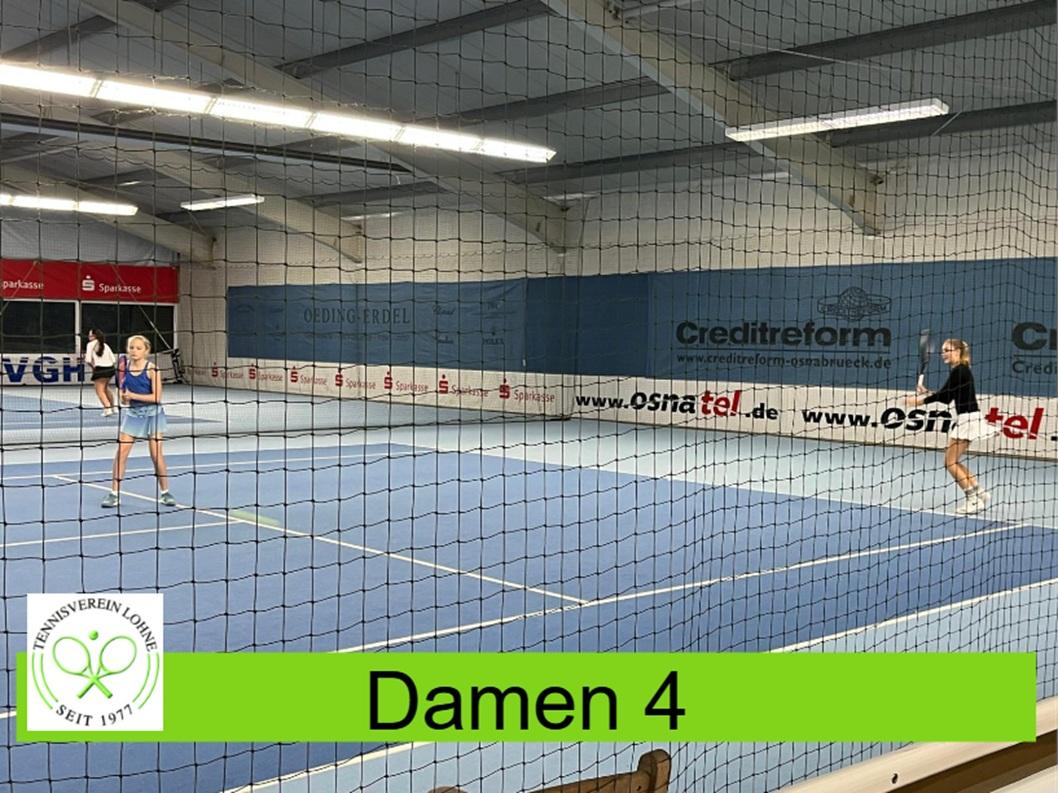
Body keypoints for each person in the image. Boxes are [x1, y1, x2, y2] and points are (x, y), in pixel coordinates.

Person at [905, 338, 996, 515]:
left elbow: (944, 396)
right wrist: (927, 392)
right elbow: (947, 397)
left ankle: (973, 500)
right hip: (969, 418)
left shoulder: (960, 370)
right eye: (942, 351)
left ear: (958, 351)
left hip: (968, 420)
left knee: (950, 462)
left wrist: (918, 401)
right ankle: (980, 493)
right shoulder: (961, 370)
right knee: (953, 461)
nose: (943, 354)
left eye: (947, 350)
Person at [102, 335, 176, 508]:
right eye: (131, 348)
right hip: (133, 414)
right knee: (121, 453)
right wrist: (125, 399)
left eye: (138, 348)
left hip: (153, 415)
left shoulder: (152, 369)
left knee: (156, 455)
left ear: (146, 351)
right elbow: (124, 400)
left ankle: (165, 493)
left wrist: (133, 395)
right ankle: (114, 494)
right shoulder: (124, 368)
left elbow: (156, 397)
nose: (134, 351)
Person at [84, 329, 118, 416]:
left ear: (94, 336)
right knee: (105, 388)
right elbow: (113, 360)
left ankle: (107, 409)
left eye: (90, 335)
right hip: (110, 369)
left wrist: (93, 367)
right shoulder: (105, 345)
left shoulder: (90, 345)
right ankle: (114, 407)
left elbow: (88, 360)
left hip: (100, 370)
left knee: (99, 391)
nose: (88, 337)